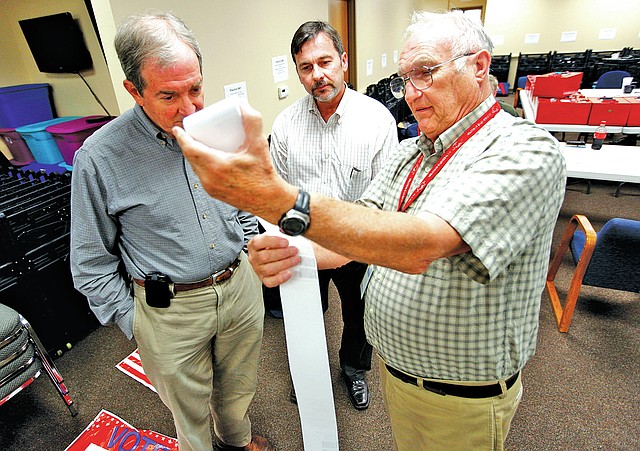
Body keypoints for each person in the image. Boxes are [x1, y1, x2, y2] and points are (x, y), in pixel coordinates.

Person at [173, 10, 566, 451]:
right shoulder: (413, 155)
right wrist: (287, 253)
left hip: (459, 394)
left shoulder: (525, 150)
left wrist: (276, 200)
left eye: (426, 73)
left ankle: (351, 367)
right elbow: (351, 234)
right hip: (401, 375)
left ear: (479, 66)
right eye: (405, 79)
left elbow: (422, 244)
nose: (412, 94)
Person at [69, 12, 273, 451]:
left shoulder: (216, 125)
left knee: (238, 391)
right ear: (134, 91)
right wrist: (137, 321)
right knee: (189, 414)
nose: (189, 109)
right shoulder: (98, 158)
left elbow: (237, 200)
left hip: (239, 287)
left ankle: (236, 441)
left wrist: (249, 245)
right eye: (168, 95)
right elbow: (90, 265)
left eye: (195, 88)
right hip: (168, 312)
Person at [268, 20, 398, 410]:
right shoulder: (287, 124)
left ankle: (354, 370)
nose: (317, 75)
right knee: (305, 314)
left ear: (343, 61)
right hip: (305, 242)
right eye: (306, 68)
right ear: (298, 73)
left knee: (360, 315)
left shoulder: (376, 121)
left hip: (359, 241)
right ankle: (309, 373)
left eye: (324, 62)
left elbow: (388, 199)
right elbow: (278, 193)